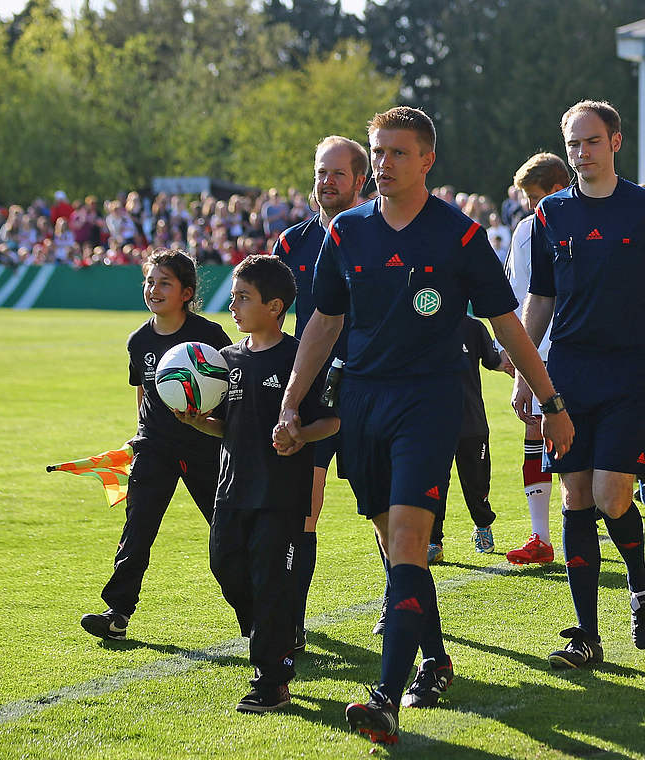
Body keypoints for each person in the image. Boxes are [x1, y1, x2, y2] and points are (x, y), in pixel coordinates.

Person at [277, 106, 571, 746]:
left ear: (427, 160)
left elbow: (508, 323)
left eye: (397, 153)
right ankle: (436, 659)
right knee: (394, 547)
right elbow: (323, 322)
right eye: (377, 153)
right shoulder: (346, 232)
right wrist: (292, 402)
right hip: (359, 403)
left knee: (410, 540)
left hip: (429, 403)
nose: (383, 164)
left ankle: (385, 697)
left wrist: (549, 401)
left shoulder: (459, 236)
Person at [514, 100, 645, 670]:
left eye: (591, 141)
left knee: (612, 493)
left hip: (632, 373)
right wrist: (525, 373)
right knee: (574, 494)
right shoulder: (550, 216)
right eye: (572, 144)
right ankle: (586, 636)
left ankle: (640, 583)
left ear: (615, 143)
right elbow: (540, 301)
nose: (581, 153)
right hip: (568, 373)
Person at [177, 255, 338, 712]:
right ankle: (273, 634)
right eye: (233, 297)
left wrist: (301, 434)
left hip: (281, 496)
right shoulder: (225, 361)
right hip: (231, 491)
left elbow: (331, 421)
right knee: (225, 566)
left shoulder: (298, 360)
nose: (233, 306)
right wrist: (197, 421)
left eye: (243, 298)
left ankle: (271, 678)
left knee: (271, 583)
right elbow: (227, 426)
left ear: (275, 306)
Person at [81, 249, 232, 642]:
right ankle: (117, 613)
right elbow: (144, 392)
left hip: (204, 448)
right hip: (155, 448)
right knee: (138, 529)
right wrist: (138, 435)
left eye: (165, 282)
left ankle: (258, 619)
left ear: (186, 292)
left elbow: (231, 392)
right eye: (149, 281)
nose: (154, 289)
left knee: (228, 535)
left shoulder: (210, 336)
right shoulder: (139, 340)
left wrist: (216, 427)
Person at [271, 134, 368, 645]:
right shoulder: (291, 244)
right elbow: (272, 320)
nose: (326, 182)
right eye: (320, 172)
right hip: (311, 391)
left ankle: (399, 600)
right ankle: (295, 618)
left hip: (372, 389)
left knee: (381, 506)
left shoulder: (378, 237)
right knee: (304, 507)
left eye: (337, 173)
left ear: (360, 180)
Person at [502, 152, 567, 566]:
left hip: (569, 353)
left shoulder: (540, 228)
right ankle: (541, 536)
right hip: (540, 352)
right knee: (537, 433)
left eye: (533, 195)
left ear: (557, 189)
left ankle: (575, 524)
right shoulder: (526, 230)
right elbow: (518, 293)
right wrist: (516, 353)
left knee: (573, 449)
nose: (527, 204)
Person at [427, 316, 510, 557]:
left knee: (476, 482)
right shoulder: (418, 322)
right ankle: (433, 542)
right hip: (431, 424)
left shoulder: (472, 327)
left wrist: (512, 362)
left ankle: (483, 527)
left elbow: (493, 360)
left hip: (471, 422)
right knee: (433, 484)